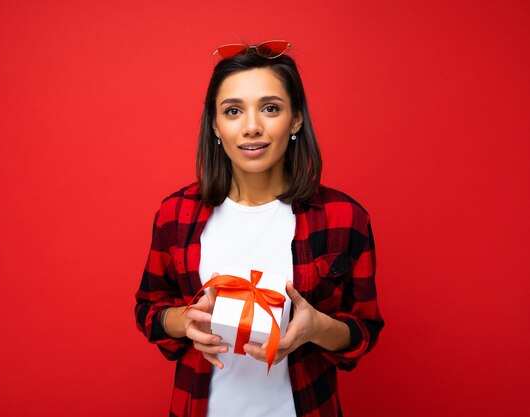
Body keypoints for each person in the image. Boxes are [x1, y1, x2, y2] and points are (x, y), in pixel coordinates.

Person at [134, 40, 384, 417]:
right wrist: (185, 322)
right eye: (233, 111)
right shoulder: (176, 214)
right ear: (216, 124)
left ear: (296, 118)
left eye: (270, 108)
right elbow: (148, 310)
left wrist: (316, 327)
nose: (252, 127)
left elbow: (364, 329)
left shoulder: (344, 217)